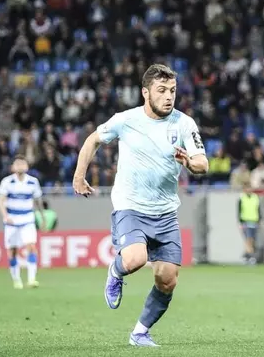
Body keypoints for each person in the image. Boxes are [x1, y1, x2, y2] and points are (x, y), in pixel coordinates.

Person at [72, 64, 209, 347]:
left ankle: (140, 333)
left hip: (166, 212)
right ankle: (115, 271)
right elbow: (93, 140)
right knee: (134, 259)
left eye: (172, 90)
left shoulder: (184, 123)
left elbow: (203, 163)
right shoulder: (125, 120)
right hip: (131, 206)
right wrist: (79, 176)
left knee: (167, 280)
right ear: (145, 92)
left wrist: (188, 162)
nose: (168, 97)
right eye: (162, 90)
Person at [0, 154, 44, 289]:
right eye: (17, 164)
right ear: (12, 167)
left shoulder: (33, 182)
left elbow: (38, 201)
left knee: (31, 246)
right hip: (12, 220)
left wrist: (42, 217)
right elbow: (1, 201)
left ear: (27, 166)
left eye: (22, 163)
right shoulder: (7, 182)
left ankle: (32, 279)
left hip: (28, 219)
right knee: (13, 250)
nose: (20, 166)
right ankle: (16, 279)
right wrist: (5, 216)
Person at [238, 181, 262, 264]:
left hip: (254, 221)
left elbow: (258, 210)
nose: (249, 190)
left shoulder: (255, 197)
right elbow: (239, 211)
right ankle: (251, 257)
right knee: (248, 239)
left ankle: (246, 256)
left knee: (252, 240)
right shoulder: (242, 198)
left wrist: (260, 220)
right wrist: (240, 223)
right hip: (245, 222)